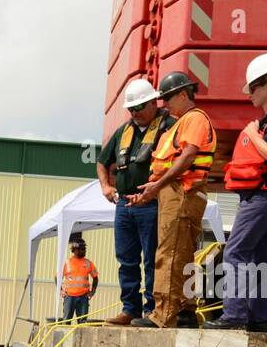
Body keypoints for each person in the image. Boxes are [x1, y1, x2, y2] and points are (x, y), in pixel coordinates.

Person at [204, 53, 267, 331]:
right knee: (262, 257)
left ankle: (234, 315)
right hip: (265, 195)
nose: (250, 94)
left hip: (265, 195)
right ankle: (260, 320)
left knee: (235, 251)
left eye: (254, 87)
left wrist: (254, 135)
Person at [127, 71, 216, 328]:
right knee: (183, 254)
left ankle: (163, 314)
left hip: (182, 192)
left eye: (167, 98)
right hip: (176, 192)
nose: (164, 104)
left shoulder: (194, 119)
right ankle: (185, 312)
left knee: (170, 253)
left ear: (182, 94)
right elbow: (167, 166)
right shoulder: (180, 123)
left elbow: (187, 157)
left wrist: (158, 186)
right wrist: (147, 193)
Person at [97, 78, 175, 325]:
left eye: (139, 107)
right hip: (124, 206)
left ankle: (153, 309)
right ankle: (130, 309)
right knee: (126, 259)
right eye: (131, 109)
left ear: (154, 102)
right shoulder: (123, 131)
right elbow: (102, 161)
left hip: (151, 204)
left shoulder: (169, 126)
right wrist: (105, 186)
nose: (134, 113)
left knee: (153, 259)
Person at [60, 238, 98, 322]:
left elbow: (95, 278)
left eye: (84, 249)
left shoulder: (88, 263)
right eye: (82, 249)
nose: (84, 251)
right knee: (66, 321)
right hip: (69, 297)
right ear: (74, 250)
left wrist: (92, 291)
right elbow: (57, 277)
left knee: (82, 322)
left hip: (83, 297)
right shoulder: (67, 263)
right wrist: (61, 290)